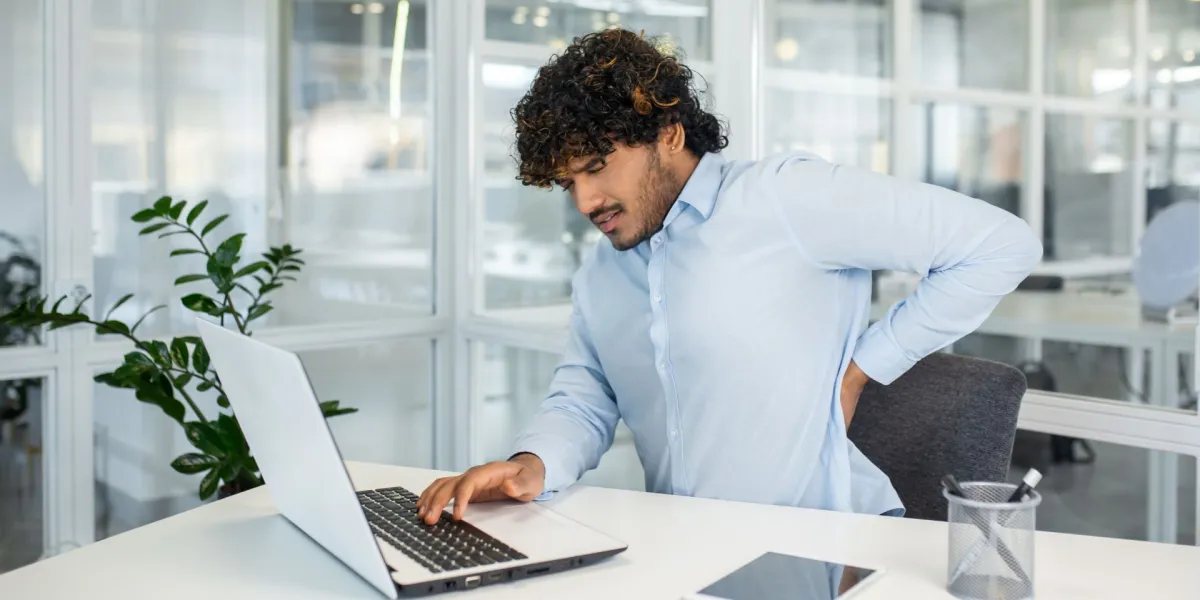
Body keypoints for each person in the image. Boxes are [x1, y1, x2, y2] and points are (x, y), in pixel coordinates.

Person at [416, 28, 1042, 524]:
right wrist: (530, 464)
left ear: (668, 132)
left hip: (821, 547)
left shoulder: (784, 199)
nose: (584, 202)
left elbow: (999, 245)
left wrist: (863, 368)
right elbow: (587, 392)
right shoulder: (604, 269)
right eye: (568, 182)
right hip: (686, 548)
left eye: (597, 167)